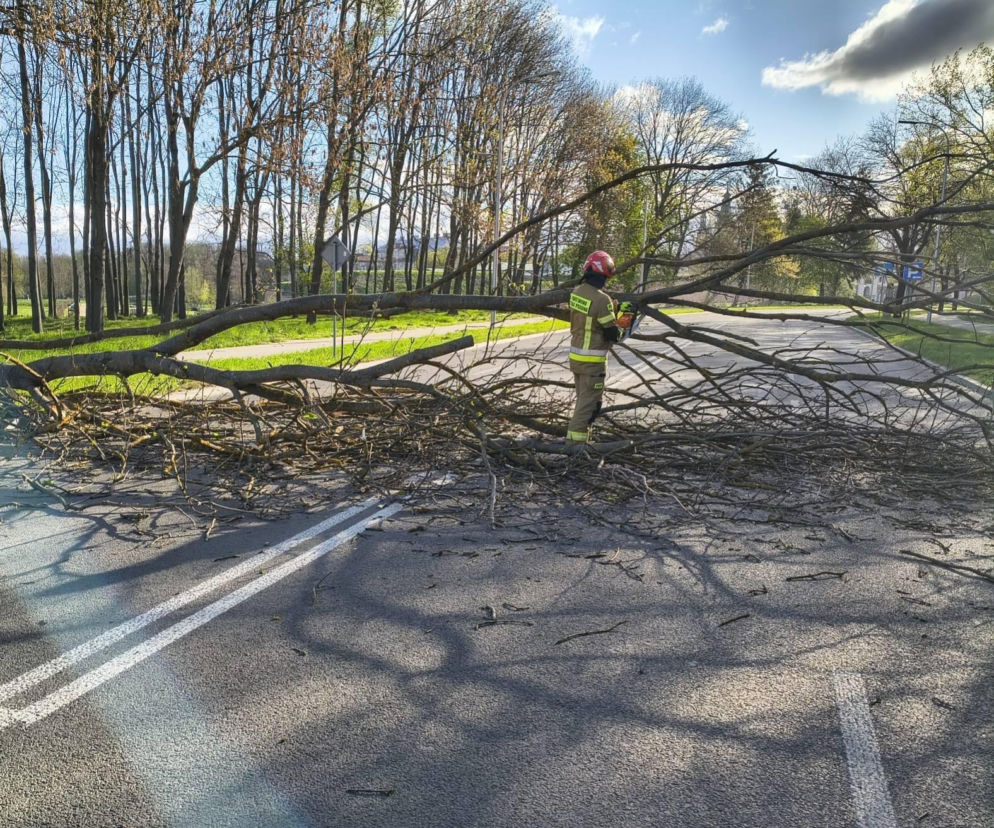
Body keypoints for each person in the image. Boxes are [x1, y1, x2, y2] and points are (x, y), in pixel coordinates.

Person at [566, 249, 632, 444]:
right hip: (592, 361)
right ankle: (574, 447)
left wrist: (614, 308)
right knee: (589, 406)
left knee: (582, 402)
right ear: (606, 273)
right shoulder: (602, 300)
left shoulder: (577, 292)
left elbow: (591, 314)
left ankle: (582, 441)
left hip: (577, 358)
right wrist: (623, 321)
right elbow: (612, 333)